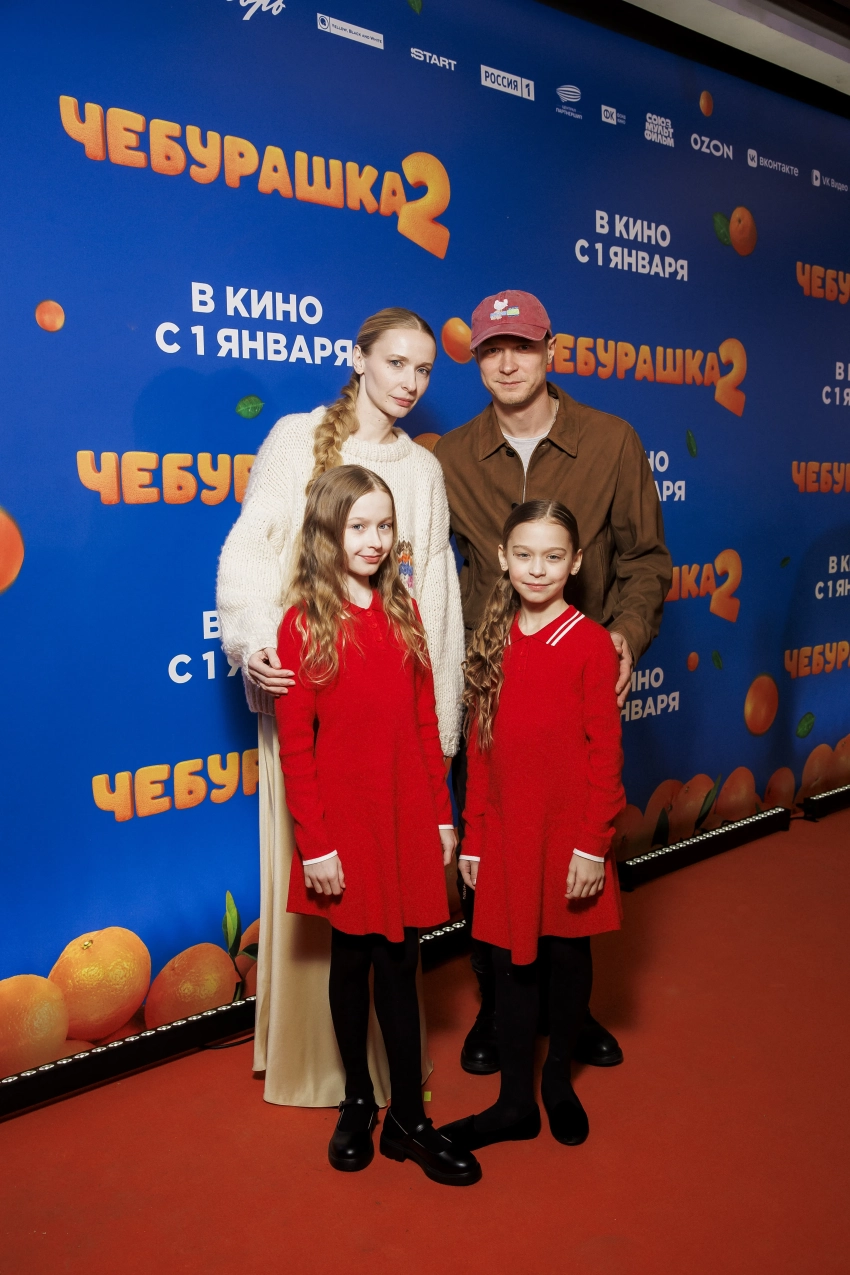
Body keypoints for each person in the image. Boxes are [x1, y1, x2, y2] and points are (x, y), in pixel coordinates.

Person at [217, 308, 464, 1108]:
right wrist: (254, 639)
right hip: (310, 698)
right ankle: (325, 1075)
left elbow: (433, 595)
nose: (409, 382)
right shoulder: (297, 437)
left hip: (391, 716)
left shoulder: (422, 470)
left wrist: (441, 731)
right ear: (359, 359)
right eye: (395, 363)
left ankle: (394, 1083)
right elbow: (254, 544)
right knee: (330, 901)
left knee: (391, 926)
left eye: (423, 369)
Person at [434, 289, 672, 1073]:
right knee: (492, 851)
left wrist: (625, 636)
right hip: (492, 693)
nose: (507, 363)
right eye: (491, 350)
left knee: (577, 843)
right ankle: (499, 1005)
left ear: (551, 351)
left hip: (575, 685)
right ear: (477, 360)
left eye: (523, 347)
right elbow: (417, 566)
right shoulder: (450, 456)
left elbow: (645, 559)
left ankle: (574, 1009)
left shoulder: (611, 439)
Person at [275, 465, 480, 1185]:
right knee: (353, 959)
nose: (373, 539)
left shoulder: (404, 609)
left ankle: (409, 1121)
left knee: (401, 959)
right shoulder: (303, 622)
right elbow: (296, 749)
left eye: (384, 525)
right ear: (325, 532)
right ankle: (357, 1101)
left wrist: (441, 817)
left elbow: (425, 724)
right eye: (357, 525)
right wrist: (316, 846)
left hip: (405, 816)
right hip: (344, 826)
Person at [439, 499, 624, 1152]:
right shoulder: (492, 640)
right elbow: (481, 753)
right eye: (524, 555)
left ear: (575, 563)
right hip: (507, 834)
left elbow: (606, 755)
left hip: (569, 835)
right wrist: (475, 838)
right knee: (509, 964)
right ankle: (515, 1101)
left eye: (552, 556)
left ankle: (556, 1080)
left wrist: (592, 846)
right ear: (502, 558)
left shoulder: (591, 643)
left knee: (568, 956)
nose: (537, 569)